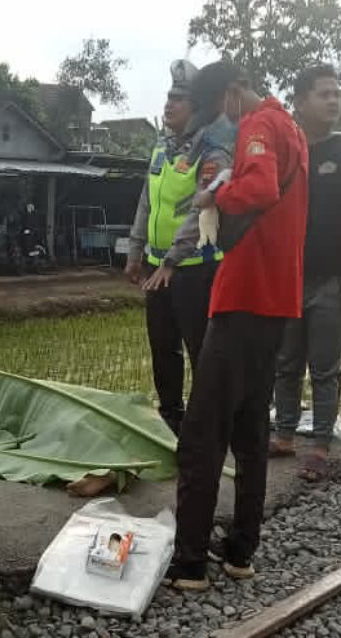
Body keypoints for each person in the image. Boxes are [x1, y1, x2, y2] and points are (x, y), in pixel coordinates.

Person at [165, 62, 309, 591]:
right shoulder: (291, 127)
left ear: (232, 92)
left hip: (245, 295)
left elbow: (260, 189)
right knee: (250, 432)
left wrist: (213, 198)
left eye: (219, 107)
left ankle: (189, 564)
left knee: (202, 435)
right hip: (277, 300)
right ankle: (241, 551)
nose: (221, 119)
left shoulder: (260, 125)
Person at [271, 65, 341, 481]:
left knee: (326, 368)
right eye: (323, 94)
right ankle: (283, 436)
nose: (334, 100)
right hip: (287, 277)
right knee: (286, 362)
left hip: (331, 278)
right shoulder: (287, 150)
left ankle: (318, 445)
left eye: (337, 93)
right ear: (299, 101)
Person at [127, 60, 230, 435]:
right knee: (162, 348)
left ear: (197, 107)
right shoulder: (161, 148)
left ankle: (208, 423)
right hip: (158, 266)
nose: (169, 105)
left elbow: (200, 211)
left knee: (200, 350)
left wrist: (172, 259)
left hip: (194, 268)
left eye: (179, 99)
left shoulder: (212, 152)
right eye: (168, 98)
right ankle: (172, 417)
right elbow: (146, 201)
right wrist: (135, 251)